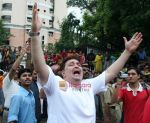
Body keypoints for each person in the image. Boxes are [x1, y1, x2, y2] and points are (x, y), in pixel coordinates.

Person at [30, 3, 143, 123]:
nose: (76, 65)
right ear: (63, 73)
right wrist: (35, 33)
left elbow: (110, 72)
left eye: (78, 64)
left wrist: (127, 52)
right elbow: (39, 65)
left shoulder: (89, 85)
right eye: (71, 64)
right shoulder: (56, 84)